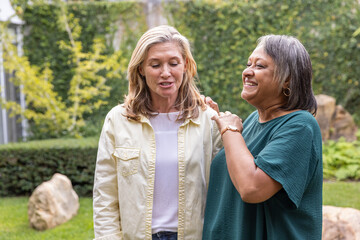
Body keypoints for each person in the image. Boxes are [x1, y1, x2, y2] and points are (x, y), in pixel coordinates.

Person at [93, 25, 222, 240]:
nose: (165, 73)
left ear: (186, 65)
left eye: (173, 63)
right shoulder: (118, 120)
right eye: (155, 65)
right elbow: (105, 195)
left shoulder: (207, 119)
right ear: (141, 69)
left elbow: (226, 190)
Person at [202, 35, 323, 239]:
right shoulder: (251, 122)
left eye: (259, 66)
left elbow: (252, 188)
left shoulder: (300, 126)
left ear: (288, 80)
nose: (247, 71)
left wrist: (230, 131)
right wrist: (215, 121)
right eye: (248, 63)